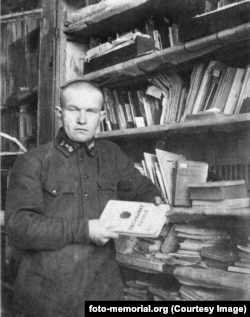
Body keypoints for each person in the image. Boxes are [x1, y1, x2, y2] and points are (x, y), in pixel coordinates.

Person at [6, 80, 162, 317]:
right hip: (45, 301)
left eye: (90, 111)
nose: (82, 119)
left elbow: (142, 188)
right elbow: (19, 227)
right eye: (73, 110)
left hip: (103, 294)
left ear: (102, 115)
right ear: (60, 113)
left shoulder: (112, 155)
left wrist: (156, 200)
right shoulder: (33, 161)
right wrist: (85, 230)